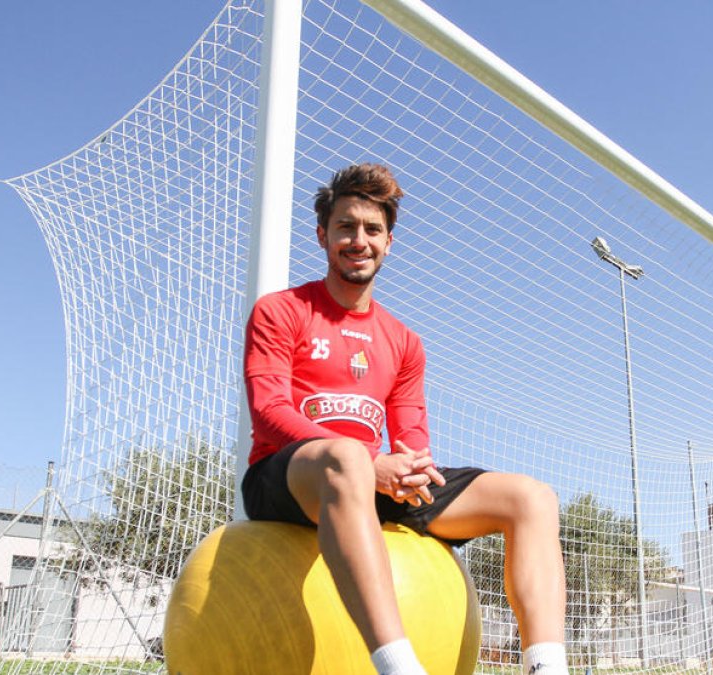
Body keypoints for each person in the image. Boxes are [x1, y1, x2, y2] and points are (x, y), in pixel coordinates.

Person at [241, 163, 569, 675]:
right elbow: (269, 411)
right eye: (346, 227)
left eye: (372, 230)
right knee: (346, 456)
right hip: (288, 480)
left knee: (532, 498)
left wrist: (411, 470)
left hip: (374, 481)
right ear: (322, 234)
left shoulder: (405, 341)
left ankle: (547, 667)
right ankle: (398, 666)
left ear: (389, 242)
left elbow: (411, 435)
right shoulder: (281, 310)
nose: (358, 240)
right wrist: (370, 463)